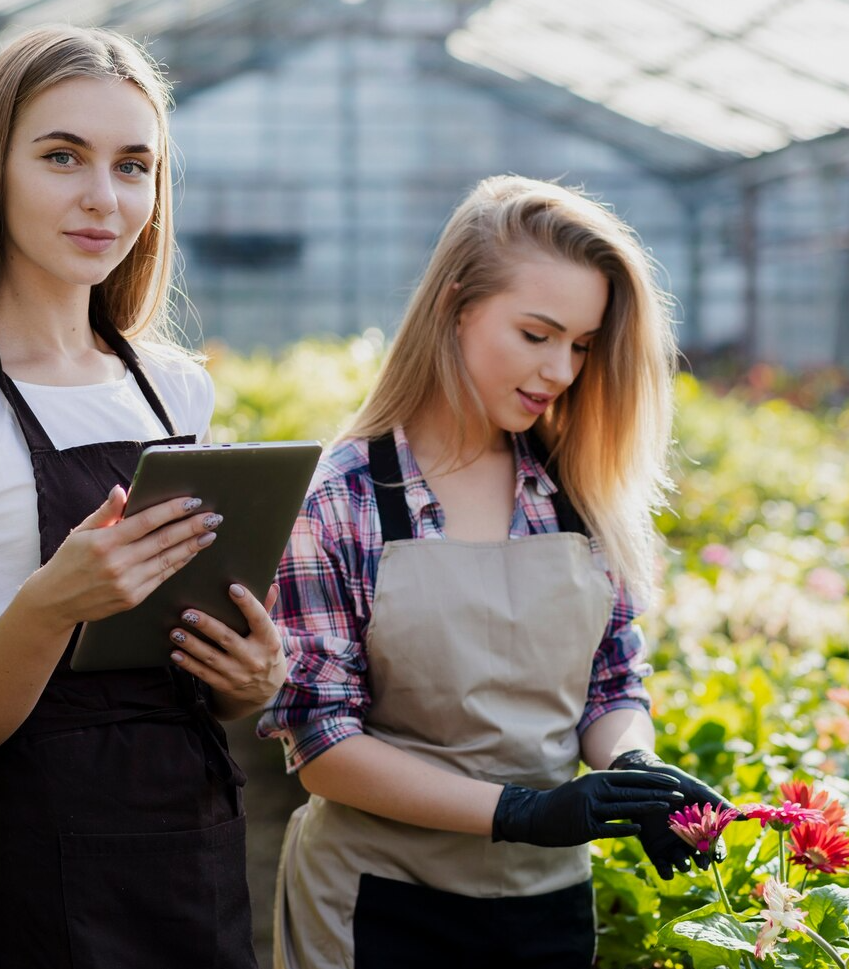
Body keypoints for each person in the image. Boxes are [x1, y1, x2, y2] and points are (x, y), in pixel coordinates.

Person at [0, 26, 282, 969]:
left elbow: (187, 673)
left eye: (135, 166)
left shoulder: (177, 389)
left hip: (198, 869)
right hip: (34, 892)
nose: (104, 197)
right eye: (61, 156)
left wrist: (248, 681)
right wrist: (55, 601)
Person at [259, 175, 731, 968]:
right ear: (455, 306)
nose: (562, 369)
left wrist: (635, 769)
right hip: (375, 899)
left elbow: (612, 685)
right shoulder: (344, 497)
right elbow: (324, 744)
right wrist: (521, 810)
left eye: (581, 344)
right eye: (537, 334)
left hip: (545, 903)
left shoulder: (580, 493)